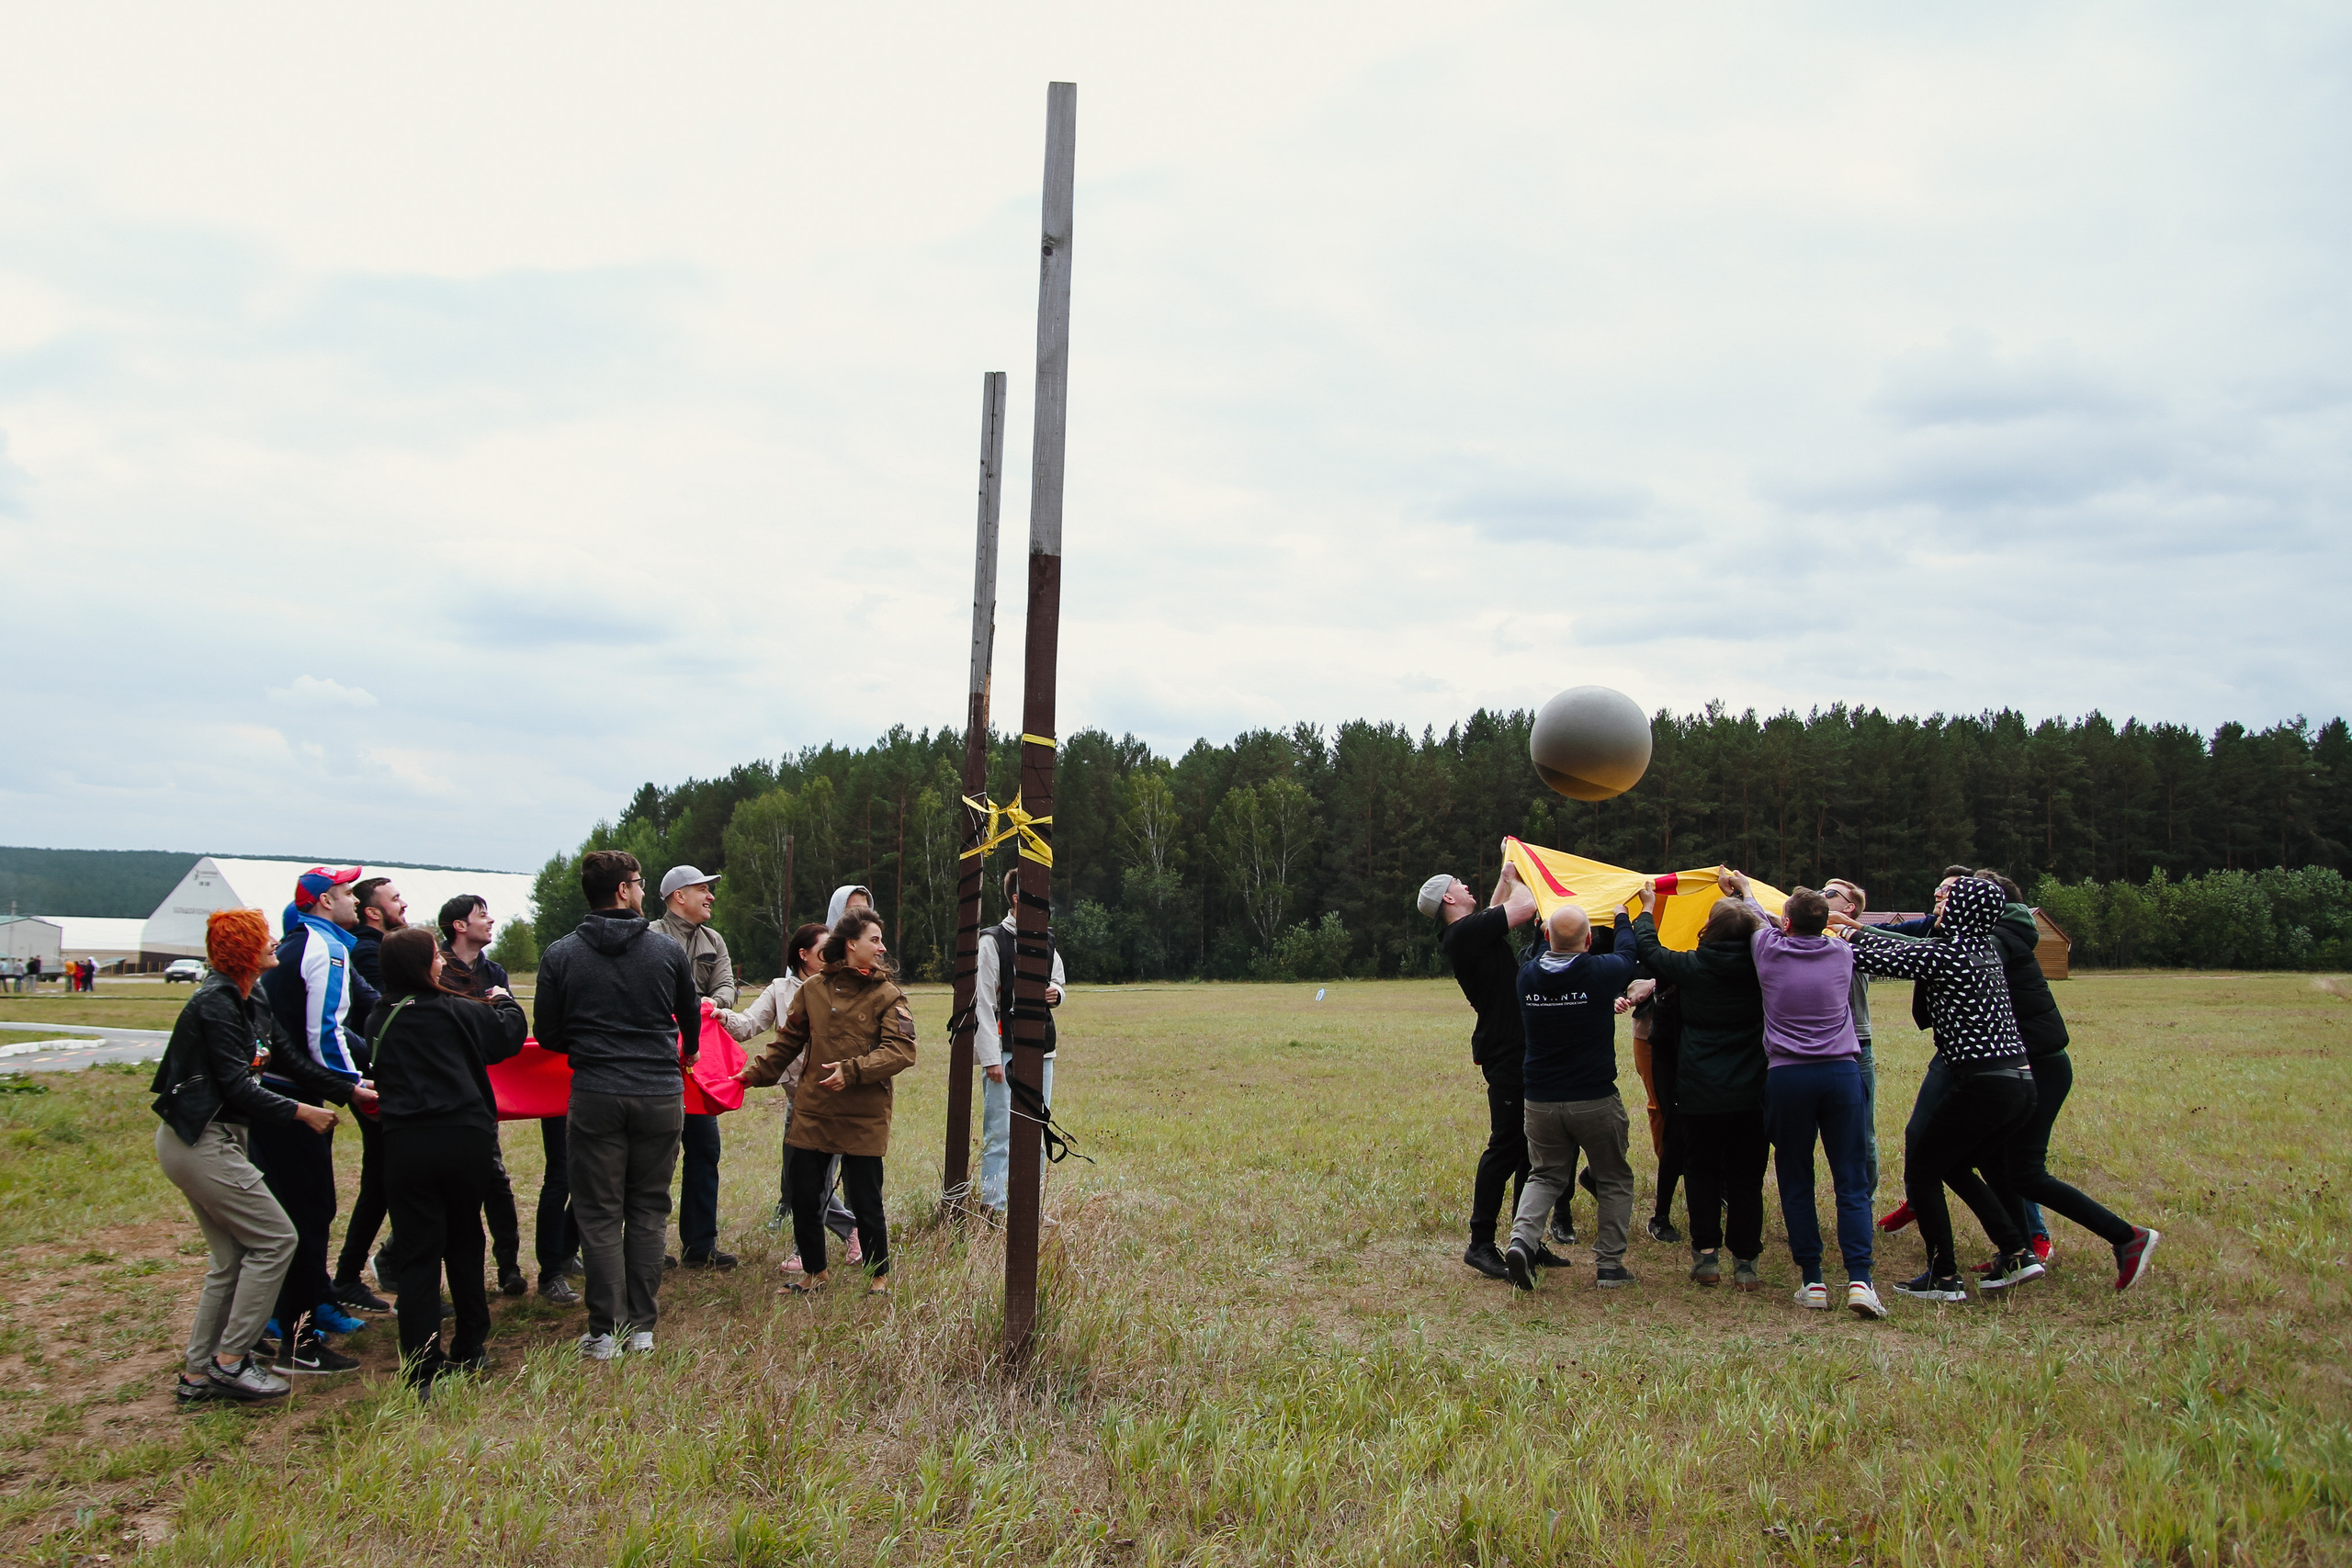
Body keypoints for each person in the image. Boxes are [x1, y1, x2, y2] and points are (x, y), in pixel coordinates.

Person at [151, 909, 356, 1403]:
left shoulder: (251, 996)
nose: (274, 946)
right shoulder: (216, 1002)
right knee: (276, 1239)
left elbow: (287, 1057)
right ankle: (233, 1360)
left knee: (230, 1259)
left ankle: (198, 1375)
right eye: (263, 940)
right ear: (244, 952)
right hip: (199, 1140)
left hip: (216, 1138)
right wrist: (303, 1112)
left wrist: (353, 1089)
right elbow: (238, 1087)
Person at [1841, 874, 2041, 1302]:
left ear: (1966, 910)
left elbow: (1877, 958)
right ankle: (2017, 1250)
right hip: (2018, 1083)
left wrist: (1831, 930)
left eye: (1950, 900)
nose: (1941, 904)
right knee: (1953, 1165)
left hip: (1983, 1084)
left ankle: (1944, 1276)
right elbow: (1901, 948)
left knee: (1924, 1170)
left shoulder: (1947, 953)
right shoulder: (1982, 950)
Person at [534, 850, 698, 1360]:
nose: (644, 890)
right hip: (659, 1094)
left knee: (599, 1214)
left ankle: (605, 1332)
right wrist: (681, 1052)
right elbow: (690, 1019)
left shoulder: (560, 955)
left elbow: (547, 1032)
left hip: (596, 1094)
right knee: (648, 1209)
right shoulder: (666, 952)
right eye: (641, 882)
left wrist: (590, 1044)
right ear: (624, 890)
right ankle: (642, 1329)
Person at [1976, 872, 2161, 1292]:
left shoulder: (2002, 940)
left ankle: (2127, 1237)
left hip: (2039, 1067)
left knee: (2024, 1171)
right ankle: (2017, 1252)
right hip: (2026, 1064)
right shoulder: (2002, 934)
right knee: (1992, 1157)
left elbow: (1950, 956)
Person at [365, 928, 527, 1393]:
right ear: (423, 964)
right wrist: (505, 1000)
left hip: (404, 1144)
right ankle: (471, 1346)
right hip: (464, 1139)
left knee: (418, 1254)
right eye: (434, 954)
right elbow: (508, 1038)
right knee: (463, 1240)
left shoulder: (380, 1018)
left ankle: (420, 1364)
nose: (441, 959)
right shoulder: (457, 1009)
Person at [1724, 873, 1885, 1320]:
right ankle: (1860, 1280)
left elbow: (1758, 916)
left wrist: (1745, 888)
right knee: (1851, 1180)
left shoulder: (1768, 949)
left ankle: (1812, 1280)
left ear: (1787, 924)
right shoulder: (1840, 951)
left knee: (1796, 1177)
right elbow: (1800, 923)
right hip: (1841, 1074)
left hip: (1789, 1077)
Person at [737, 907, 917, 1296]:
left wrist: (851, 1071)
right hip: (814, 1109)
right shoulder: (812, 990)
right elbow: (788, 1041)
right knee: (803, 1192)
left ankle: (878, 1276)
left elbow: (901, 1050)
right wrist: (754, 1076)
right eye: (875, 939)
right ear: (851, 944)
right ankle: (814, 1272)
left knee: (865, 1198)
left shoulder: (888, 994)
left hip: (864, 1113)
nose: (882, 947)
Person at [254, 865, 379, 1355]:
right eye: (347, 892)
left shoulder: (301, 944)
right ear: (325, 900)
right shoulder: (324, 949)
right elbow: (322, 1032)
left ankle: (308, 1305)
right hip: (295, 1096)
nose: (353, 900)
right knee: (305, 1211)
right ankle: (294, 1322)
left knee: (306, 1209)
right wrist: (352, 1084)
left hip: (290, 1089)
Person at [1626, 881, 1770, 1292]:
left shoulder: (1691, 966)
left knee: (1701, 1172)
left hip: (1699, 1092)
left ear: (1708, 930)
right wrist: (1746, 897)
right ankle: (1746, 1263)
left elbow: (1649, 951)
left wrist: (1648, 909)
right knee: (1746, 1178)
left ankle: (1706, 1257)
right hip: (1751, 1093)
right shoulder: (1765, 968)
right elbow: (1779, 928)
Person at [1502, 900, 1642, 1291]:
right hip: (1594, 1097)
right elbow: (1629, 954)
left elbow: (1539, 948)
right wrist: (1623, 915)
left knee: (1545, 1174)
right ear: (1591, 940)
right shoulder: (1598, 972)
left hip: (1541, 1100)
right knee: (1613, 1177)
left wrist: (1544, 919)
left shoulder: (1527, 977)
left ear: (1547, 937)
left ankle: (1521, 1243)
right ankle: (1610, 1266)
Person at [1422, 858, 1540, 1280]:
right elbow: (1524, 909)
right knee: (1507, 1144)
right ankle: (1480, 1243)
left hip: (1516, 1046)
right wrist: (1530, 875)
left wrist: (1506, 880)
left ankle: (1527, 1239)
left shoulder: (1468, 931)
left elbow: (1494, 912)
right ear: (1448, 898)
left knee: (1531, 1147)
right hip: (1506, 1051)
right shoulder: (1464, 934)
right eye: (1460, 883)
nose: (1468, 885)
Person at [716, 922, 857, 1272]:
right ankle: (853, 1229)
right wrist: (719, 1016)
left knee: (818, 1178)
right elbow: (748, 1024)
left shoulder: (839, 985)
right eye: (825, 949)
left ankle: (805, 1250)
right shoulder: (780, 989)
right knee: (798, 1179)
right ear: (804, 954)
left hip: (833, 1097)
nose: (832, 956)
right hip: (798, 1100)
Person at [435, 895, 531, 1298]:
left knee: (496, 1180)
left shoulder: (494, 971)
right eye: (481, 915)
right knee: (449, 1187)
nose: (491, 921)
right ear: (459, 925)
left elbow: (504, 1032)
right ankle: (393, 1260)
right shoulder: (437, 968)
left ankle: (508, 1266)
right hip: (445, 1093)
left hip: (483, 1091)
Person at [648, 865, 737, 1270]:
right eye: (703, 889)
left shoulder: (714, 940)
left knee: (705, 1150)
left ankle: (700, 1246)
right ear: (678, 895)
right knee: (652, 1157)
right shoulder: (648, 936)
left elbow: (726, 987)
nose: (711, 896)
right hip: (656, 1061)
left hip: (699, 1065)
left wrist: (712, 1004)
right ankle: (646, 1248)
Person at [331, 875, 409, 1314]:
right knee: (386, 1178)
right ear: (372, 911)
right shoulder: (367, 950)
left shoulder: (365, 948)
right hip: (376, 1079)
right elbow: (390, 1008)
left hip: (376, 1077)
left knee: (381, 1181)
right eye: (395, 898)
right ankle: (366, 1268)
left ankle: (351, 1273)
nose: (403, 903)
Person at [973, 867, 1066, 1220]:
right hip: (1005, 1051)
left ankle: (1029, 1208)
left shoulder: (1047, 939)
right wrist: (990, 1058)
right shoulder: (992, 941)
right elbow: (982, 1004)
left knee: (1036, 1127)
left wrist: (1056, 993)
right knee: (1001, 1133)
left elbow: (1058, 979)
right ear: (1017, 898)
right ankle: (993, 1209)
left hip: (1042, 1049)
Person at [1820, 879, 1881, 1201]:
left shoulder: (1859, 941)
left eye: (1829, 894)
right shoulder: (1805, 936)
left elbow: (1887, 947)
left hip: (1855, 1046)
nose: (1821, 896)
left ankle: (1864, 1203)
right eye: (1818, 892)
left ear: (1849, 907)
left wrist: (1850, 928)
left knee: (1861, 1134)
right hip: (1812, 1051)